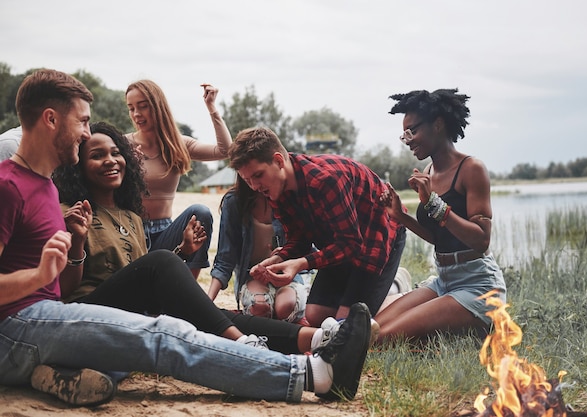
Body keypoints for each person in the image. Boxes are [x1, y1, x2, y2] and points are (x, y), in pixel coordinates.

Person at [0, 68, 372, 408]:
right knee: (164, 334)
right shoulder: (8, 185)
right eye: (82, 122)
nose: (85, 132)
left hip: (47, 319)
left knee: (180, 320)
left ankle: (317, 344)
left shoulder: (47, 189)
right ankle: (313, 374)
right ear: (50, 119)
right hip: (17, 327)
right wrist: (40, 275)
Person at [53, 121, 343, 355]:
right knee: (203, 307)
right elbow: (64, 289)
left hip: (134, 310)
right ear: (78, 166)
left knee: (213, 315)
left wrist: (183, 251)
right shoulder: (70, 213)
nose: (110, 161)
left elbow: (139, 274)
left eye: (116, 153)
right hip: (91, 313)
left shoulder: (130, 216)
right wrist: (77, 240)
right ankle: (243, 346)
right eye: (97, 155)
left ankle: (319, 339)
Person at [228, 127, 407, 327]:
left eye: (258, 175)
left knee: (345, 325)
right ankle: (377, 293)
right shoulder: (276, 188)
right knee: (315, 317)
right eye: (247, 180)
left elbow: (351, 245)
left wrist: (300, 264)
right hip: (338, 244)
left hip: (375, 239)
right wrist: (276, 260)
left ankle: (393, 290)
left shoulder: (325, 180)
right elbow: (299, 240)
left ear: (279, 161)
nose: (254, 186)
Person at [374, 88, 507, 344]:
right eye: (405, 135)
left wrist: (433, 202)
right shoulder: (429, 171)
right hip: (444, 280)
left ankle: (477, 327)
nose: (408, 140)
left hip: (477, 287)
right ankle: (447, 337)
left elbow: (481, 240)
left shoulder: (471, 169)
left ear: (437, 124)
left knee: (383, 339)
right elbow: (440, 238)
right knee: (374, 327)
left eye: (412, 131)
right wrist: (399, 215)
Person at [125, 80, 232, 278]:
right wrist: (128, 165)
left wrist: (212, 108)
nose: (136, 114)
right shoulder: (123, 145)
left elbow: (225, 150)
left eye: (142, 106)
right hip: (131, 234)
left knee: (200, 212)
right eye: (131, 108)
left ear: (157, 106)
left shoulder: (178, 143)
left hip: (165, 232)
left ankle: (188, 289)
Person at [208, 174, 308, 323]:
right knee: (259, 307)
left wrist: (286, 253)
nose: (255, 185)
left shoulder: (290, 197)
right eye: (249, 176)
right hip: (252, 277)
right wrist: (207, 302)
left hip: (286, 275)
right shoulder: (234, 202)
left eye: (259, 174)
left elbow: (307, 248)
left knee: (286, 307)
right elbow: (224, 260)